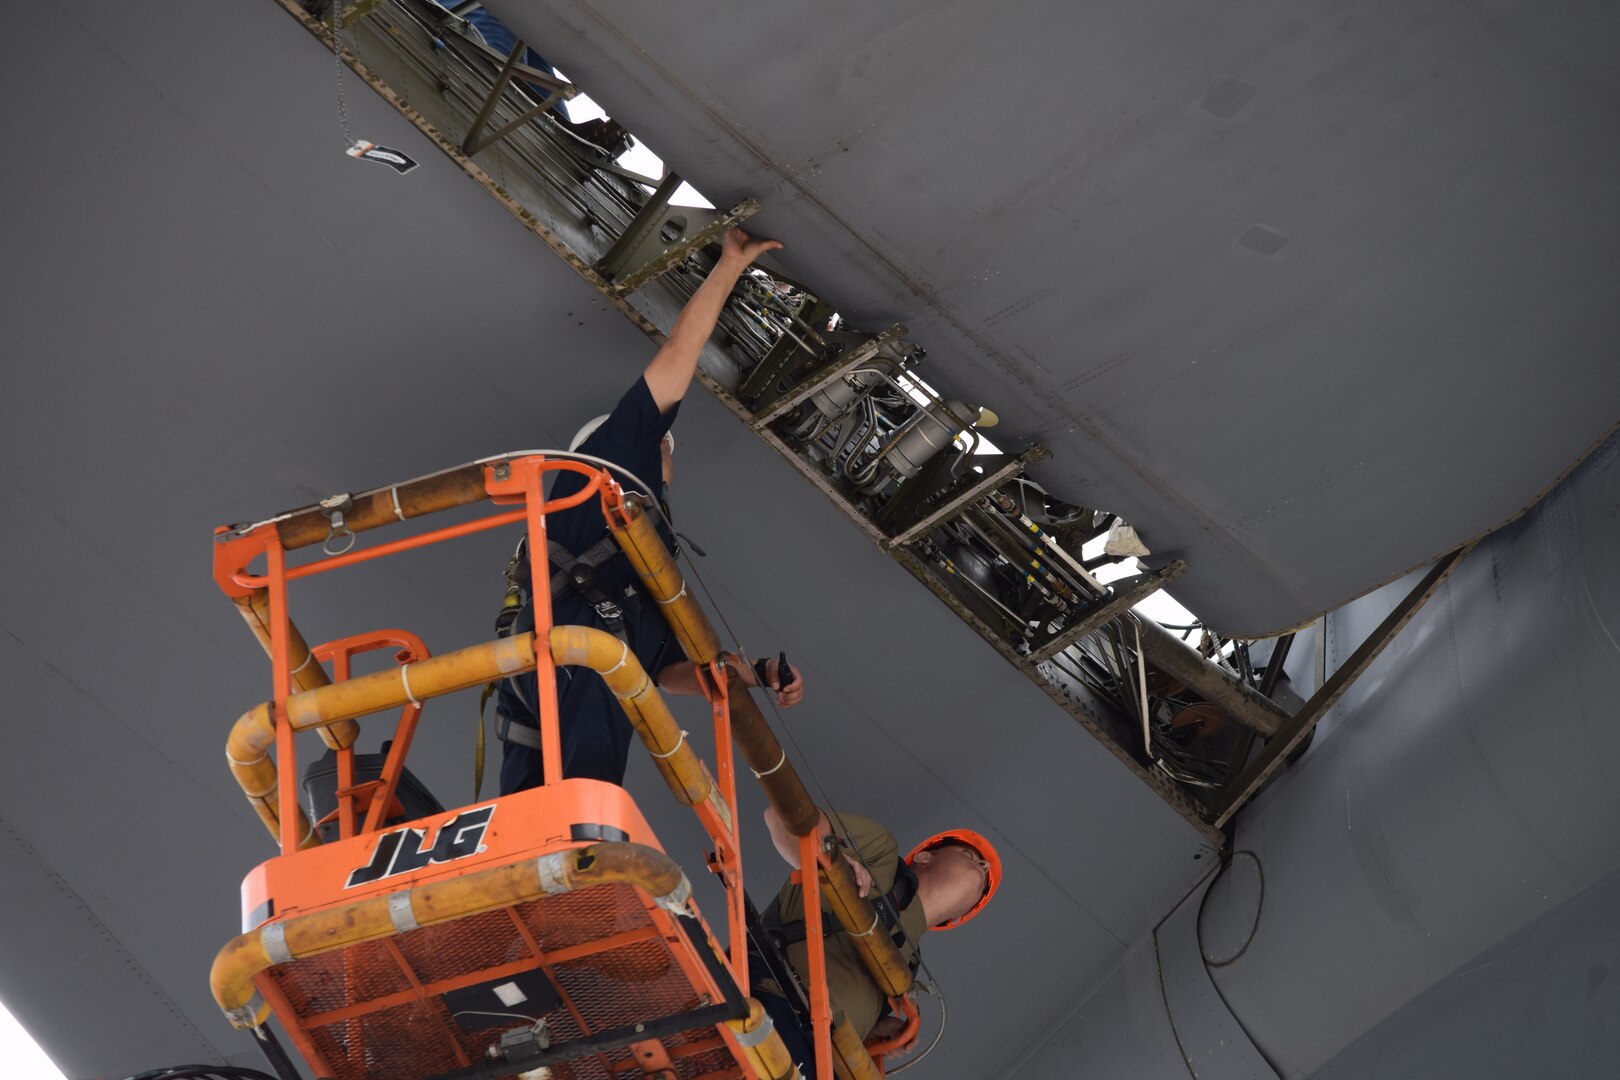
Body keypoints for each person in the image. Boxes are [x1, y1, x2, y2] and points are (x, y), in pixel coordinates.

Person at [496, 227, 805, 794]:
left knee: (538, 839)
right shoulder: (609, 465)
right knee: (583, 818)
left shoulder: (649, 551)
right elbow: (679, 355)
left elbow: (667, 671)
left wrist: (755, 676)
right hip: (578, 664)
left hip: (563, 680)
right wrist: (728, 267)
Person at [753, 806, 1001, 1069]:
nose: (983, 866)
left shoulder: (908, 969)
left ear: (957, 918)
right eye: (968, 854)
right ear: (925, 856)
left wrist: (873, 1030)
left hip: (818, 1060)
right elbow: (781, 816)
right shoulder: (880, 852)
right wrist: (827, 864)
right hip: (770, 1002)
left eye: (983, 884)